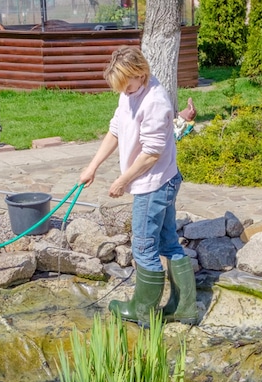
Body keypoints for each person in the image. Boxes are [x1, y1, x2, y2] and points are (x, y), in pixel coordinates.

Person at [78, 46, 197, 327]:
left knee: (144, 248)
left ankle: (143, 311)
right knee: (168, 242)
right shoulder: (129, 91)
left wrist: (123, 181)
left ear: (141, 74)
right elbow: (116, 129)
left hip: (153, 185)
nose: (126, 94)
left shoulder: (155, 101)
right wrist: (92, 167)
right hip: (160, 181)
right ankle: (185, 308)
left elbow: (152, 154)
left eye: (128, 88)